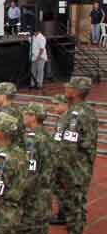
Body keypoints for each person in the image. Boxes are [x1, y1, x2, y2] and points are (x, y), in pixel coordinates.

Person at [48, 77, 98, 234]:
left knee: (75, 206)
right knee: (70, 203)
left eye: (69, 87)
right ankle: (69, 231)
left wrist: (56, 163)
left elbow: (70, 146)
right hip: (70, 167)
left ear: (76, 91)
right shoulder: (75, 111)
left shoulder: (78, 115)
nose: (65, 88)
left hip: (74, 170)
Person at [12, 103, 54, 234]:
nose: (23, 116)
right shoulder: (46, 136)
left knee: (29, 232)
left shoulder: (31, 140)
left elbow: (30, 172)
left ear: (33, 117)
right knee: (36, 232)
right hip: (44, 191)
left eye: (26, 113)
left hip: (33, 195)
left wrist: (17, 193)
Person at [49, 94, 69, 225]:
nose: (54, 107)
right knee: (59, 188)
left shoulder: (67, 120)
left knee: (62, 188)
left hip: (63, 160)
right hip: (58, 158)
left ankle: (65, 215)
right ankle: (63, 213)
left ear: (65, 105)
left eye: (57, 104)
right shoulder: (61, 119)